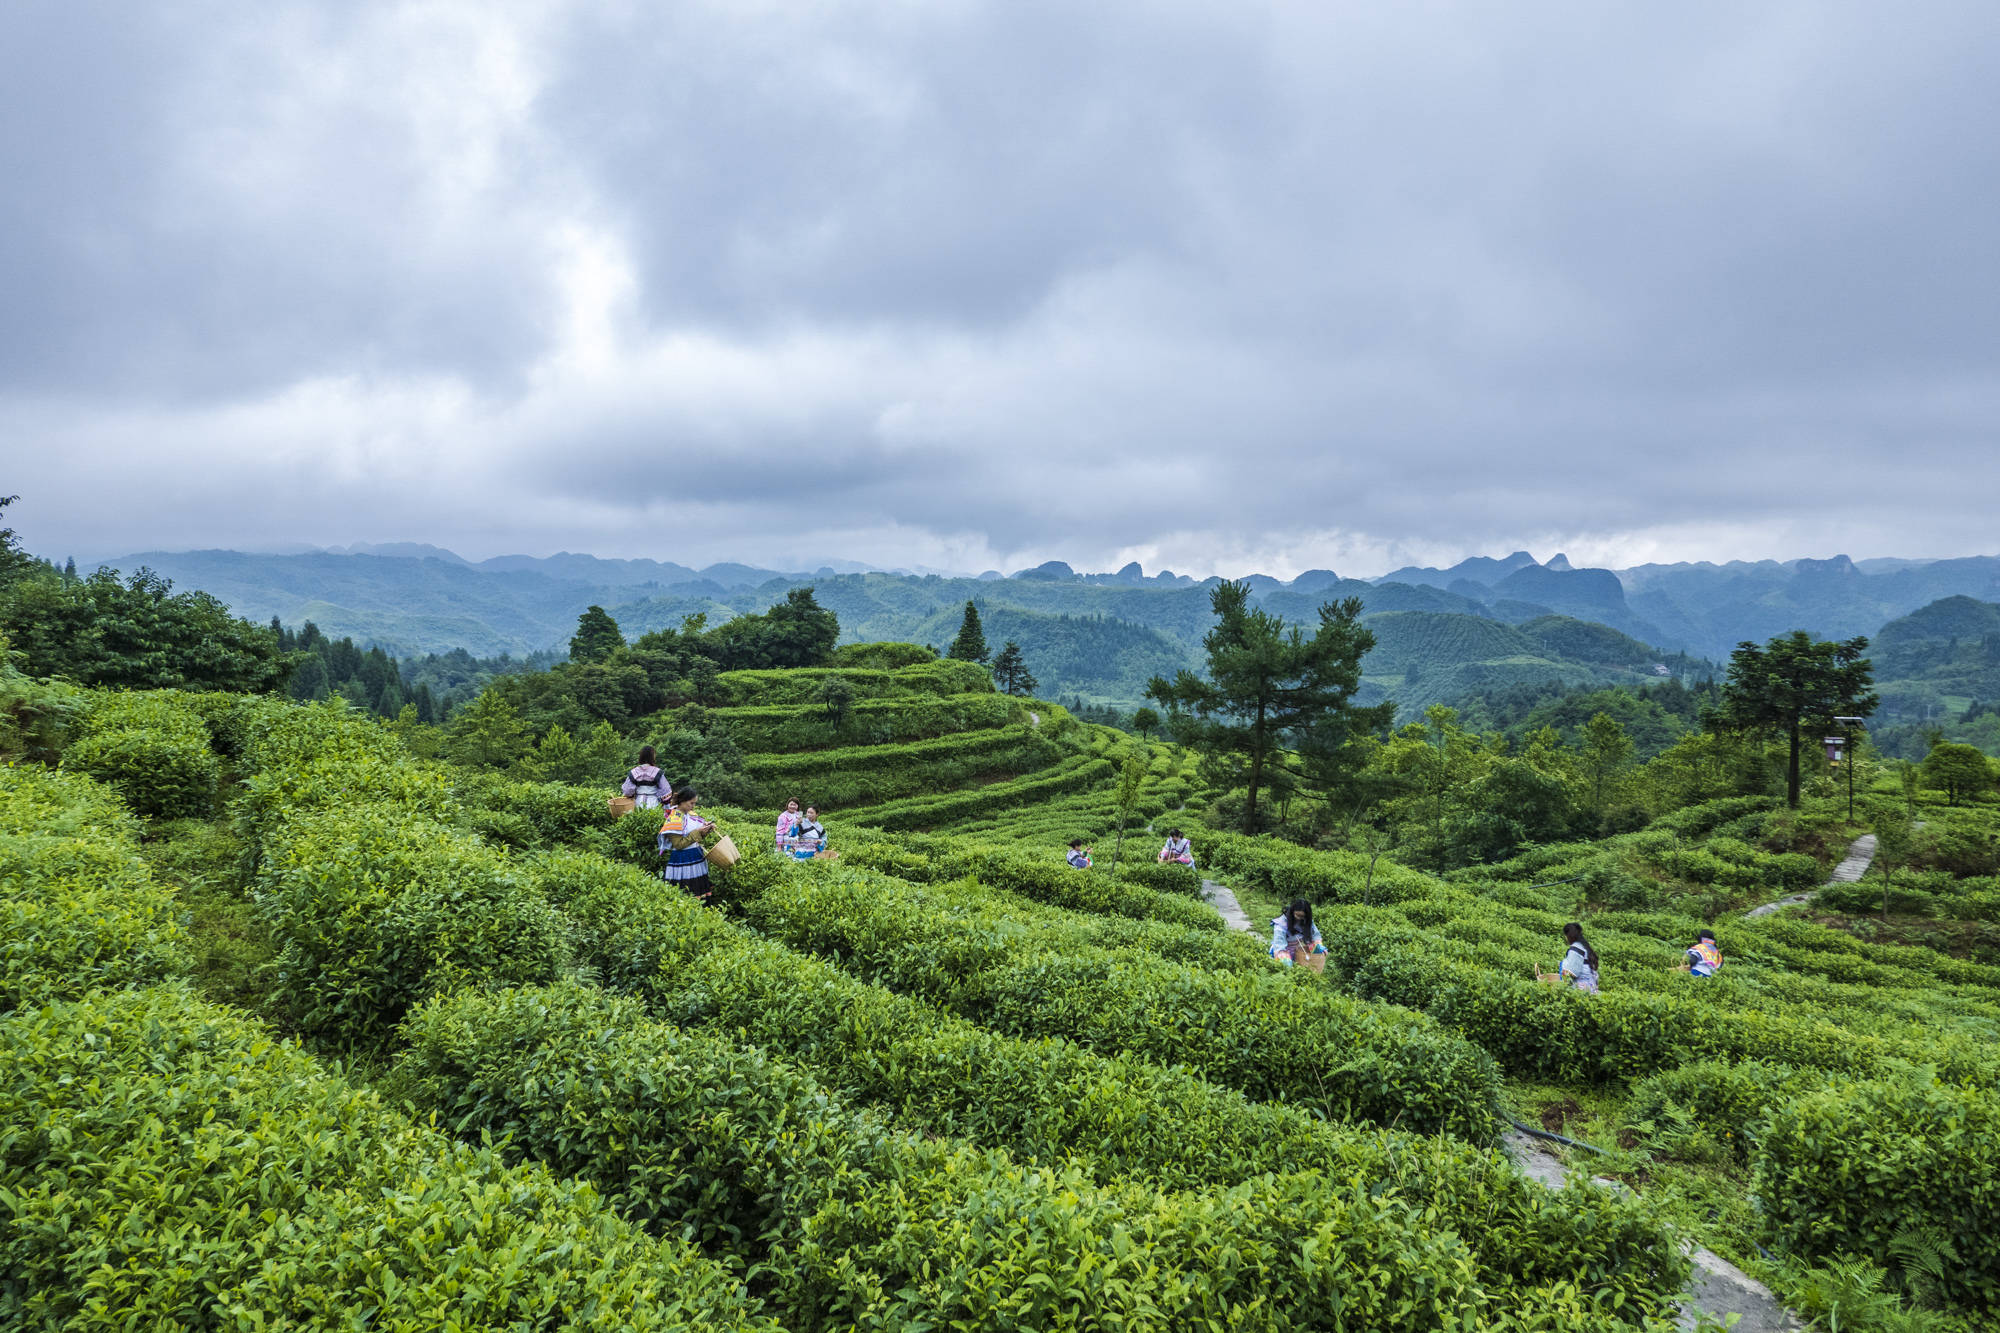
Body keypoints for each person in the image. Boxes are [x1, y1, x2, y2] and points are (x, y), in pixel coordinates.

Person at [657, 788, 719, 905]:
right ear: (682, 801)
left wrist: (706, 830)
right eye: (691, 803)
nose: (693, 806)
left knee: (699, 890)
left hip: (696, 857)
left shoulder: (690, 815)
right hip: (683, 860)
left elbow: (696, 837)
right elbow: (678, 845)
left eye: (694, 803)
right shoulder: (674, 818)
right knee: (686, 893)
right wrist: (697, 832)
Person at [1537, 922, 1599, 994]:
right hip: (1591, 983)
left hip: (1583, 986)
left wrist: (1564, 967)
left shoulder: (1576, 948)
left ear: (1568, 935)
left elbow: (1572, 971)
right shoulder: (1584, 945)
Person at [1269, 898, 1326, 971]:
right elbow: (1279, 943)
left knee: (1317, 950)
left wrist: (1320, 948)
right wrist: (1283, 956)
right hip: (1282, 948)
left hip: (1295, 949)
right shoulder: (1281, 923)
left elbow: (1315, 936)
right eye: (1297, 915)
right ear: (1292, 911)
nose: (1299, 918)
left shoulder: (1306, 921)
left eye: (1302, 916)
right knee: (1286, 965)